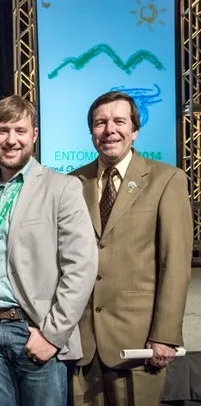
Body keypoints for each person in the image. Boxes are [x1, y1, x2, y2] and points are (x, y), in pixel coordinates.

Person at [0, 95, 98, 406]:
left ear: (34, 135)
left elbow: (82, 267)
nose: (11, 140)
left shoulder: (63, 188)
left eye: (20, 131)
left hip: (35, 329)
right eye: (3, 130)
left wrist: (52, 335)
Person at [70, 91, 193, 406]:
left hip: (139, 344)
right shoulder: (72, 183)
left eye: (119, 121)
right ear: (92, 132)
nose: (110, 129)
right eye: (101, 123)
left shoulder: (167, 180)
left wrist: (165, 335)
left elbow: (175, 264)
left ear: (135, 130)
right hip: (82, 344)